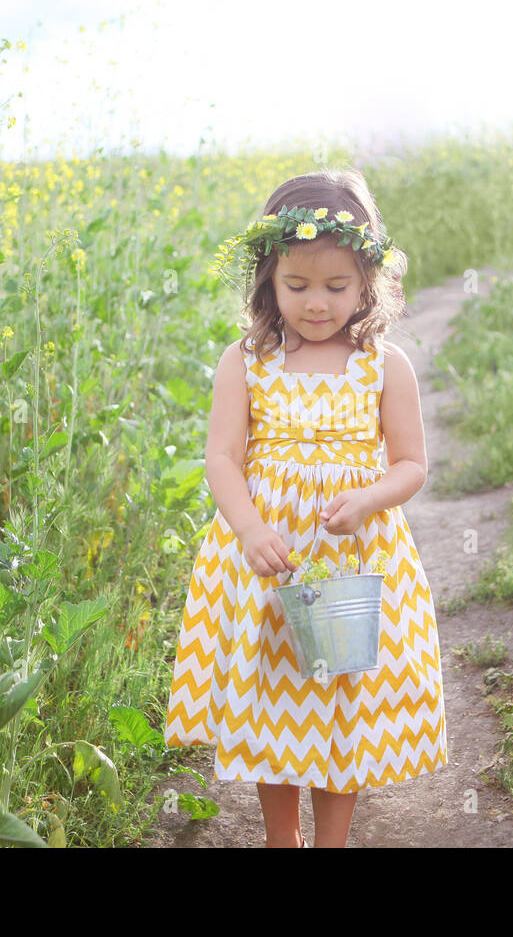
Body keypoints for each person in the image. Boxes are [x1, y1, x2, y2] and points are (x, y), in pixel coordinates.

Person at [163, 168, 448, 847]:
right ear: (269, 281)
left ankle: (332, 842)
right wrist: (250, 528)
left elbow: (411, 464)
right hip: (272, 562)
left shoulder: (385, 365)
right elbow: (222, 459)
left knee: (344, 700)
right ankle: (280, 837)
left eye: (336, 287)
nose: (316, 304)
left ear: (367, 284)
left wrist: (369, 497)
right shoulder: (248, 360)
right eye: (297, 287)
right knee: (276, 702)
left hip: (352, 558)